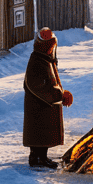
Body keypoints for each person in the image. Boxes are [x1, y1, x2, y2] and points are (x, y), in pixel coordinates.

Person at [23, 27, 73, 169]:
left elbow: (51, 82)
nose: (53, 49)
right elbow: (38, 86)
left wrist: (61, 93)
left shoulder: (45, 60)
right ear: (45, 46)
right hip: (38, 106)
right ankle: (37, 158)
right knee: (39, 133)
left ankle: (41, 157)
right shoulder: (37, 61)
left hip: (44, 105)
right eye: (51, 46)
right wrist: (60, 95)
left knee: (43, 134)